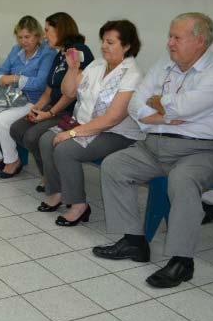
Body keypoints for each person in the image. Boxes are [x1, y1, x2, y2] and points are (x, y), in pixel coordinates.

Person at [93, 12, 213, 288]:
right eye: (169, 36)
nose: (170, 43)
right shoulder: (164, 65)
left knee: (182, 180)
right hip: (155, 146)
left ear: (200, 41)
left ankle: (182, 261)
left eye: (177, 37)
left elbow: (185, 107)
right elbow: (136, 105)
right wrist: (163, 112)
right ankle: (134, 241)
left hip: (206, 151)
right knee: (115, 165)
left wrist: (159, 104)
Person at [38, 20, 144, 225]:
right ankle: (58, 192)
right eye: (103, 41)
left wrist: (71, 134)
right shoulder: (97, 65)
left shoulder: (133, 75)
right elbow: (69, 92)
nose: (104, 46)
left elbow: (112, 119)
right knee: (46, 139)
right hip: (84, 124)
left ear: (127, 46)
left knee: (65, 149)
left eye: (111, 42)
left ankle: (79, 205)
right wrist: (73, 69)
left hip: (116, 133)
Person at [9, 12, 94, 181]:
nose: (45, 35)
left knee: (33, 136)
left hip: (69, 113)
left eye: (48, 30)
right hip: (53, 109)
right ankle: (48, 173)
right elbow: (48, 91)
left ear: (61, 30)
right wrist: (36, 108)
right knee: (17, 128)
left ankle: (52, 179)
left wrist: (49, 113)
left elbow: (72, 94)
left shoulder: (78, 51)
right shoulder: (59, 55)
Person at [0, 16, 56, 176]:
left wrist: (14, 78)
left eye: (28, 37)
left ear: (38, 36)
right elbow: (0, 74)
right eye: (20, 37)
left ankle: (12, 161)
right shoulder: (15, 50)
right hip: (10, 97)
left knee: (2, 119)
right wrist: (4, 79)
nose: (23, 41)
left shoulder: (47, 53)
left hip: (33, 101)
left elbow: (40, 83)